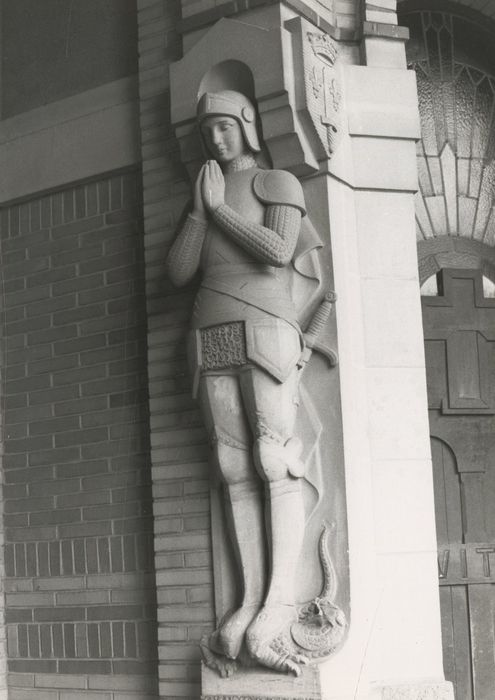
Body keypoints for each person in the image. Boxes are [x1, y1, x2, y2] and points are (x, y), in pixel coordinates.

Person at [166, 90, 322, 675]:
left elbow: (278, 251)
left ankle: (279, 604)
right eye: (209, 129)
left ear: (249, 126)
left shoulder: (277, 183)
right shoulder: (203, 194)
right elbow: (179, 273)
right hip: (211, 334)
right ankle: (249, 601)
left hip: (265, 325)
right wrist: (198, 212)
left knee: (272, 458)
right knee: (232, 467)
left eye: (227, 126)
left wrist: (222, 210)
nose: (217, 139)